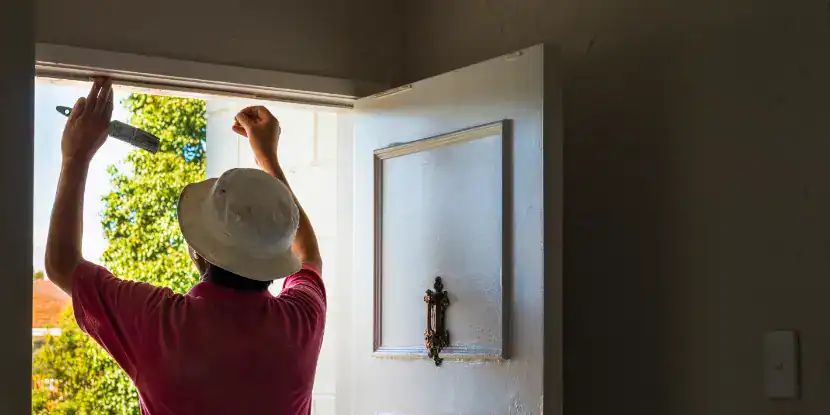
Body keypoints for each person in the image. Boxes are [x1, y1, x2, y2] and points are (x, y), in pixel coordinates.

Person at [45, 77, 325, 415]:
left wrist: (75, 156)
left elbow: (62, 265)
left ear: (198, 251)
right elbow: (307, 254)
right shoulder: (301, 322)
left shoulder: (159, 323)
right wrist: (269, 159)